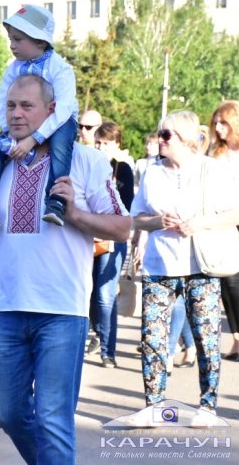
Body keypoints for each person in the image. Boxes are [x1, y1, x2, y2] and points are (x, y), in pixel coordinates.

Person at [0, 75, 130, 463]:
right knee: (7, 412)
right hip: (7, 308)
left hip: (62, 311)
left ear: (52, 111)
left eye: (27, 106)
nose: (16, 114)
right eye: (11, 106)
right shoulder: (0, 162)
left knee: (53, 420)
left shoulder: (85, 160)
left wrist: (75, 213)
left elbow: (122, 227)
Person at [131, 110, 239, 424]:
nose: (160, 139)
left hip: (200, 267)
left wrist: (199, 224)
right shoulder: (152, 172)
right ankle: (153, 408)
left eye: (166, 134)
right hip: (159, 267)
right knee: (152, 340)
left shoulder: (211, 169)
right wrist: (157, 221)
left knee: (206, 339)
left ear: (185, 139)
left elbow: (236, 212)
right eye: (159, 133)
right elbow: (137, 217)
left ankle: (207, 407)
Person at [0, 5, 79, 233]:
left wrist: (33, 139)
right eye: (10, 39)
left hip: (60, 121)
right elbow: (2, 103)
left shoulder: (60, 69)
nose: (12, 45)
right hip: (25, 128)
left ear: (40, 41)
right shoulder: (12, 69)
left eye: (18, 39)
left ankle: (56, 200)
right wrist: (10, 133)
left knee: (60, 144)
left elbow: (63, 109)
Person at [87, 122, 134, 368]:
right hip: (88, 237)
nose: (100, 147)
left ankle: (108, 350)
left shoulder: (122, 169)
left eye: (106, 143)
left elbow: (126, 207)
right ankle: (93, 335)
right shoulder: (88, 165)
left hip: (111, 240)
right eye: (98, 142)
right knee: (88, 292)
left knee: (105, 296)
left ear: (116, 144)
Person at [208, 100, 239, 361]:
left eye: (224, 123)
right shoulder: (214, 152)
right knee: (228, 281)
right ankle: (237, 340)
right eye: (216, 123)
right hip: (222, 220)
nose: (219, 128)